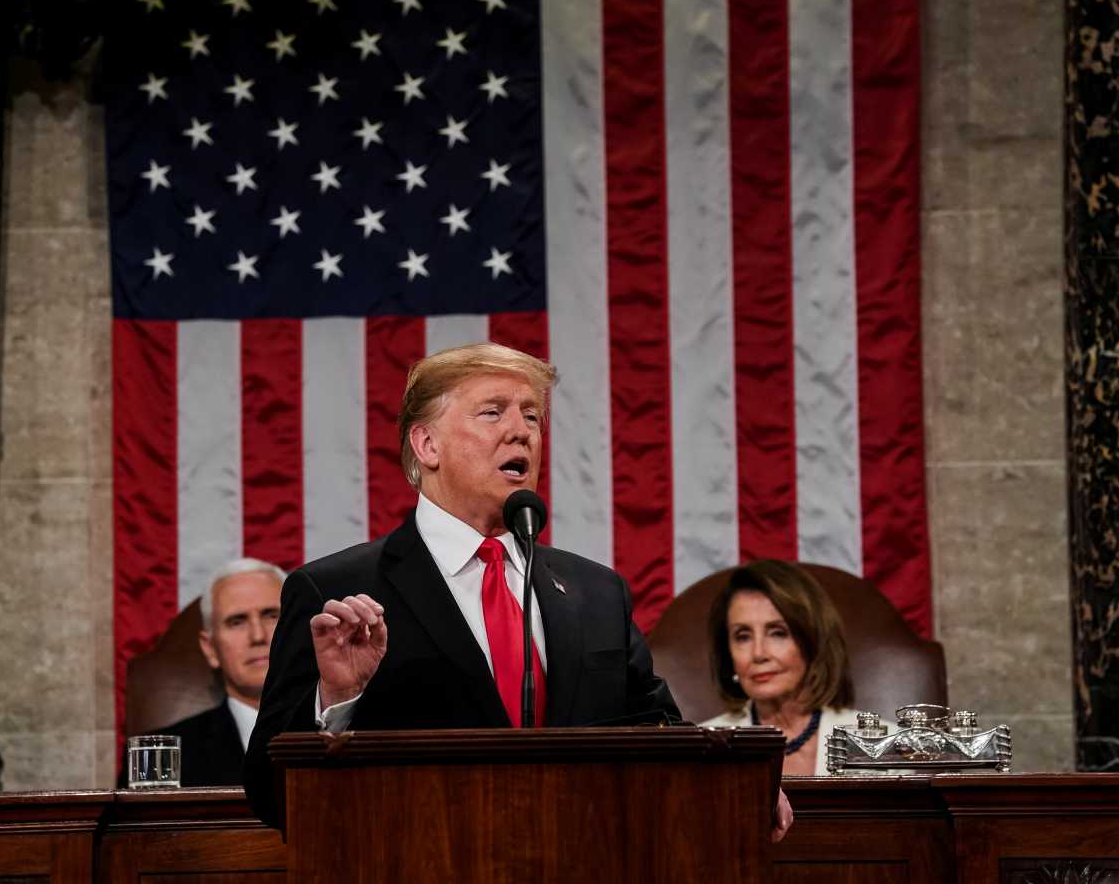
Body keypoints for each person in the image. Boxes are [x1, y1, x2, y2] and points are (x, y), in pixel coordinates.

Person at [243, 344, 775, 831]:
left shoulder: (595, 591)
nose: (521, 431)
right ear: (426, 444)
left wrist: (740, 787)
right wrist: (338, 699)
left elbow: (657, 729)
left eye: (532, 416)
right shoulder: (336, 590)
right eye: (493, 412)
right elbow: (270, 795)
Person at [701, 560, 858, 776]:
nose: (758, 654)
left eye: (777, 633)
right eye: (743, 636)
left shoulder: (882, 747)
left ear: (812, 641)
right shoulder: (702, 751)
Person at [149, 558, 285, 787]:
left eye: (271, 615)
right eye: (237, 621)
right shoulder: (160, 757)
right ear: (210, 648)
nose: (258, 635)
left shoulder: (344, 731)